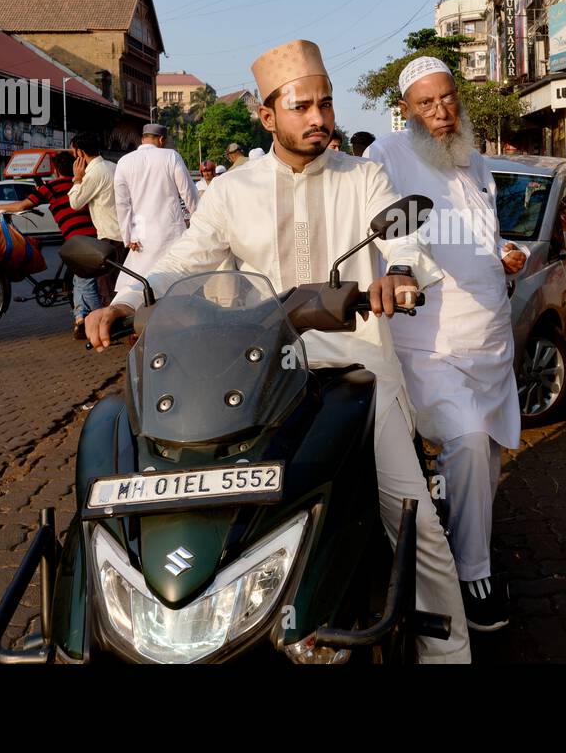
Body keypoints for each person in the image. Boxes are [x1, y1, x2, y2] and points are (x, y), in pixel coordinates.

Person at [84, 39, 470, 663]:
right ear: (268, 118)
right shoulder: (231, 190)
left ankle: (449, 655)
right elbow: (187, 258)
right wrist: (130, 300)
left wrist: (398, 276)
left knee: (413, 520)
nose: (319, 118)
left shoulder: (365, 175)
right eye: (302, 108)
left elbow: (406, 242)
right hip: (261, 370)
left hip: (357, 368)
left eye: (325, 105)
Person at [366, 56, 524, 633]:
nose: (441, 111)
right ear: (406, 109)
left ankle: (465, 539)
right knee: (466, 439)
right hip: (429, 339)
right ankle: (472, 573)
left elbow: (486, 233)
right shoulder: (387, 155)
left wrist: (506, 251)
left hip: (490, 338)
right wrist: (403, 269)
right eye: (426, 103)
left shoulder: (476, 160)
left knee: (484, 454)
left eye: (448, 98)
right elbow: (387, 229)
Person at [0, 151, 99, 339]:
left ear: (55, 170)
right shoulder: (80, 184)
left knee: (85, 282)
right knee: (78, 281)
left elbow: (22, 206)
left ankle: (101, 323)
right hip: (92, 237)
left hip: (79, 241)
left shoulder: (52, 187)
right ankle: (80, 320)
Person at [113, 123, 200, 296]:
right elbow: (189, 194)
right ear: (161, 139)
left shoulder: (124, 161)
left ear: (143, 138)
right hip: (170, 231)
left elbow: (122, 204)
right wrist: (199, 222)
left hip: (141, 233)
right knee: (175, 285)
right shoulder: (171, 156)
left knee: (142, 287)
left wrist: (128, 235)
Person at [68, 132, 123, 306]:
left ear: (80, 153)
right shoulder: (112, 166)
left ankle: (112, 325)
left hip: (110, 236)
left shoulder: (95, 174)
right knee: (120, 284)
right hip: (122, 234)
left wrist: (77, 179)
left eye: (74, 152)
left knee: (107, 286)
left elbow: (75, 202)